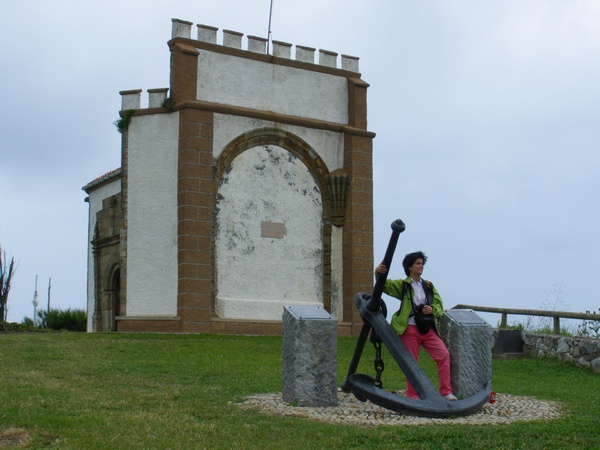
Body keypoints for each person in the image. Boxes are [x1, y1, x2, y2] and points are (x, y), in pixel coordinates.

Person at [375, 251, 457, 400]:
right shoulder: (403, 285)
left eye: (422, 263)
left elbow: (438, 304)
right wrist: (378, 273)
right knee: (411, 362)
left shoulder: (428, 286)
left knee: (443, 355)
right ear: (409, 267)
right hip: (410, 329)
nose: (421, 266)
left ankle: (446, 391)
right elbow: (384, 286)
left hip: (427, 328)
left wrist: (432, 309)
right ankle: (412, 394)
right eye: (417, 263)